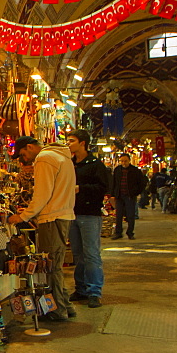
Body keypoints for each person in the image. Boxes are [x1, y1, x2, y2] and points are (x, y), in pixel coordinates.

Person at [8, 136, 77, 322]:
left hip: (52, 219)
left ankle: (57, 310)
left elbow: (42, 194)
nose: (24, 159)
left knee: (51, 266)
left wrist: (23, 216)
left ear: (30, 147)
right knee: (55, 265)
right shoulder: (61, 156)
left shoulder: (45, 158)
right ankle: (65, 305)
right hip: (62, 215)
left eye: (23, 154)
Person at [66, 131, 109, 309]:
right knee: (78, 254)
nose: (68, 143)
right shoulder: (69, 164)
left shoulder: (95, 165)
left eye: (71, 141)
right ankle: (81, 288)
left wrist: (80, 188)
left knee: (91, 253)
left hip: (90, 214)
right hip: (72, 213)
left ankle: (94, 292)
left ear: (82, 143)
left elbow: (103, 187)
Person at [110, 153, 146, 240]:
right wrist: (113, 194)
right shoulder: (117, 170)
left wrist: (136, 192)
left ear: (129, 160)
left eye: (125, 161)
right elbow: (113, 183)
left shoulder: (135, 170)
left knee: (130, 215)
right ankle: (118, 233)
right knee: (118, 215)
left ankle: (130, 233)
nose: (123, 163)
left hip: (130, 196)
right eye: (122, 161)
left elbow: (142, 183)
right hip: (119, 196)